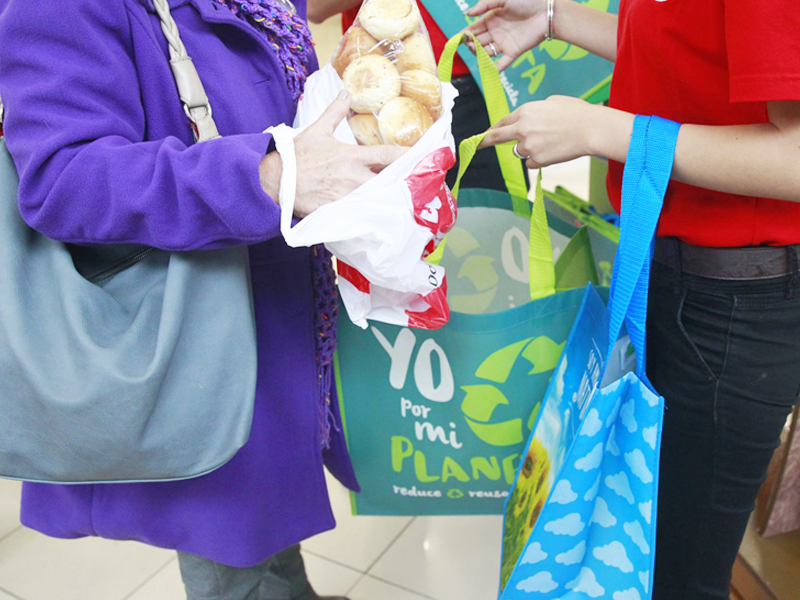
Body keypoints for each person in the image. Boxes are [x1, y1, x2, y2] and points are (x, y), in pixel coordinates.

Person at [0, 1, 406, 599]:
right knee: (227, 539)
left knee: (269, 510)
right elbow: (63, 178)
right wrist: (267, 178)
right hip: (197, 325)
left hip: (276, 301)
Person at [467, 0, 800, 598]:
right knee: (639, 538)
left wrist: (605, 130)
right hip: (671, 271)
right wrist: (553, 17)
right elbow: (691, 62)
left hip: (732, 306)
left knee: (678, 570)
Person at [307, 0, 528, 193]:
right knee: (393, 227)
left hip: (493, 87)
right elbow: (316, 7)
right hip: (385, 105)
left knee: (488, 224)